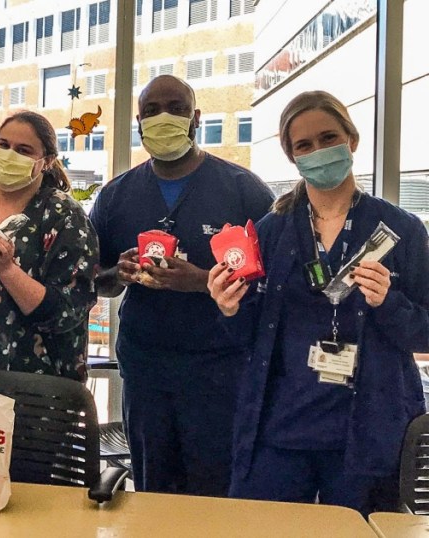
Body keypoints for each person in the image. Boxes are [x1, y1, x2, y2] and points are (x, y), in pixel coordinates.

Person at [208, 91, 429, 514]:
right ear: (292, 157)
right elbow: (248, 336)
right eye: (304, 146)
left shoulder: (400, 230)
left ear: (353, 140)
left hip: (366, 430)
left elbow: (425, 331)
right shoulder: (272, 231)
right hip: (282, 428)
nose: (319, 152)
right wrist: (229, 307)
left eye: (329, 138)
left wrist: (389, 302)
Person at [90, 75, 274, 496]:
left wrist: (201, 282)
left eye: (175, 107)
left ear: (196, 118)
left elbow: (272, 286)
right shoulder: (116, 197)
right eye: (151, 111)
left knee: (216, 491)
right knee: (153, 487)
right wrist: (117, 275)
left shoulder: (243, 191)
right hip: (146, 369)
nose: (163, 118)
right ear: (138, 123)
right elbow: (93, 283)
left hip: (219, 370)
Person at [0, 111, 98, 381]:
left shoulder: (64, 216)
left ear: (46, 162)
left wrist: (8, 271)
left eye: (23, 150)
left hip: (34, 381)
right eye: (3, 145)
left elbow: (66, 313)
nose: (10, 154)